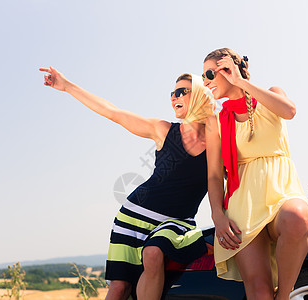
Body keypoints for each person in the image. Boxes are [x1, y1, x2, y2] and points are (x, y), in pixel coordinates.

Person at [39, 67, 214, 300]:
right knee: (120, 288)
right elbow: (114, 113)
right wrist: (68, 86)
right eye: (172, 93)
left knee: (153, 253)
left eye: (182, 91)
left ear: (200, 95)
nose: (174, 97)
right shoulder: (163, 130)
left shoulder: (216, 144)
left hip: (176, 222)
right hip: (132, 218)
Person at [202, 48, 308, 300]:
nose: (206, 81)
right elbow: (214, 175)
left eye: (210, 73)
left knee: (298, 216)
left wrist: (241, 82)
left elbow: (289, 111)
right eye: (203, 76)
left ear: (229, 69)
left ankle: (285, 295)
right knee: (259, 293)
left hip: (281, 193)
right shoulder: (216, 122)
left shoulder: (271, 95)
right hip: (242, 206)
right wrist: (217, 215)